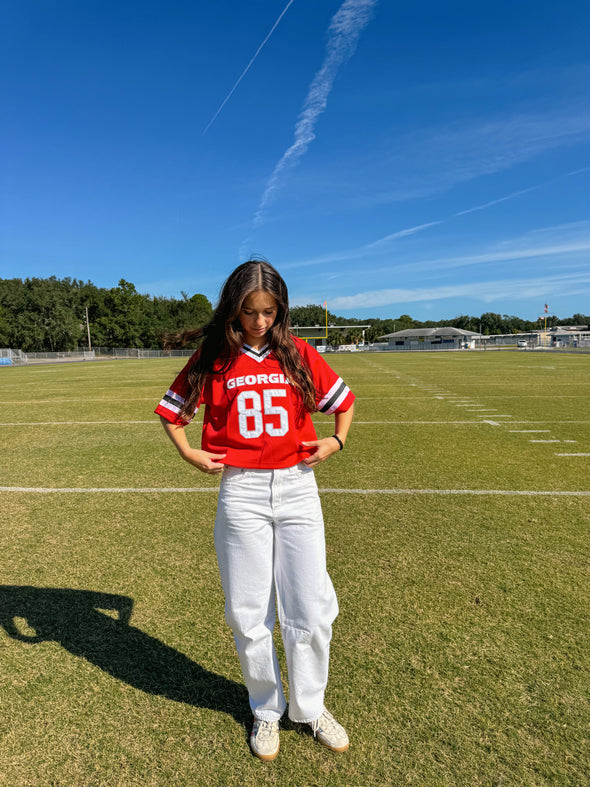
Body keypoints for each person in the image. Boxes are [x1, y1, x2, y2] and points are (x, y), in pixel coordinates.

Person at [155, 259, 355, 761]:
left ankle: (310, 707)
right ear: (233, 309)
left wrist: (336, 441)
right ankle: (266, 709)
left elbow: (344, 401)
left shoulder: (298, 353)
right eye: (250, 311)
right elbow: (173, 411)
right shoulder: (215, 357)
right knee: (248, 612)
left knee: (311, 607)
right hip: (241, 491)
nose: (260, 321)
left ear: (280, 309)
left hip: (297, 486)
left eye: (269, 311)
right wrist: (188, 452)